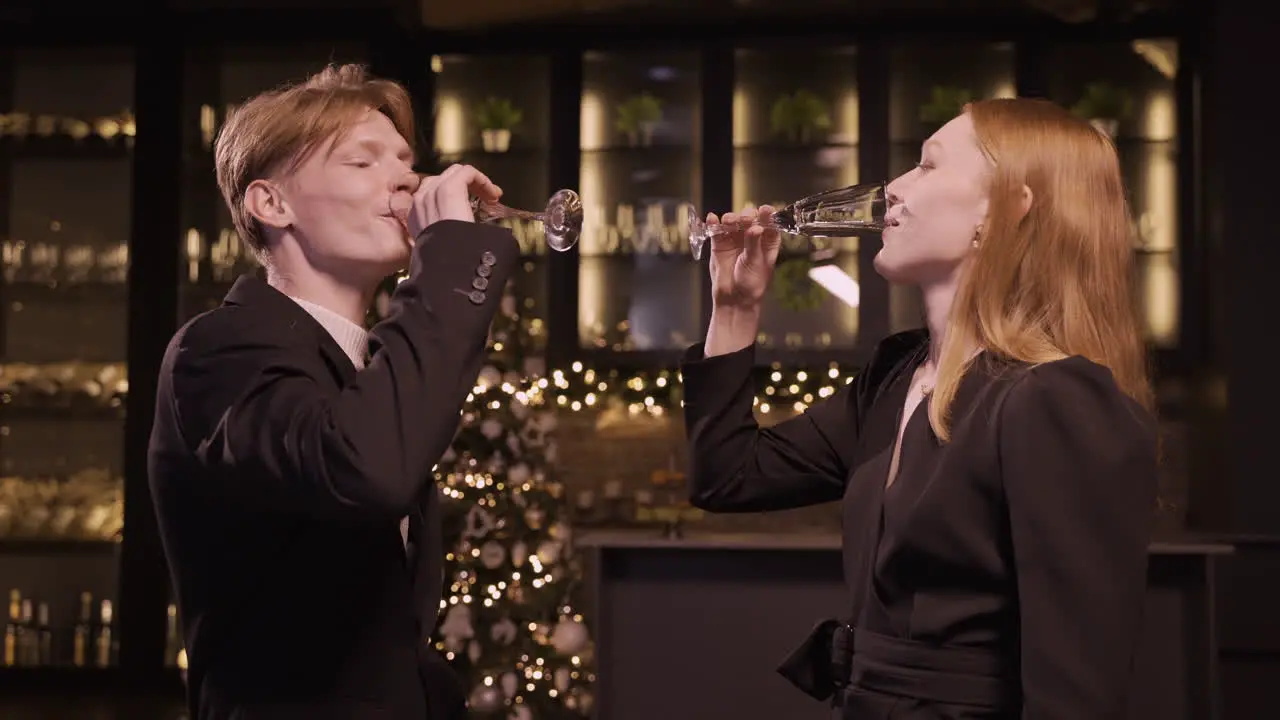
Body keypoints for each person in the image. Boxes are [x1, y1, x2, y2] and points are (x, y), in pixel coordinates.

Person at [680, 97, 1159, 719]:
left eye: (928, 167)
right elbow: (727, 476)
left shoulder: (1056, 399)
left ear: (1007, 208)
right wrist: (736, 308)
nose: (893, 191)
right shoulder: (895, 378)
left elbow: (1076, 693)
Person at [147, 64, 519, 720]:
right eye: (362, 161)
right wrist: (452, 260)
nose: (405, 179)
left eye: (406, 159)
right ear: (272, 204)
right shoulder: (218, 351)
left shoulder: (369, 366)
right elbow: (364, 469)